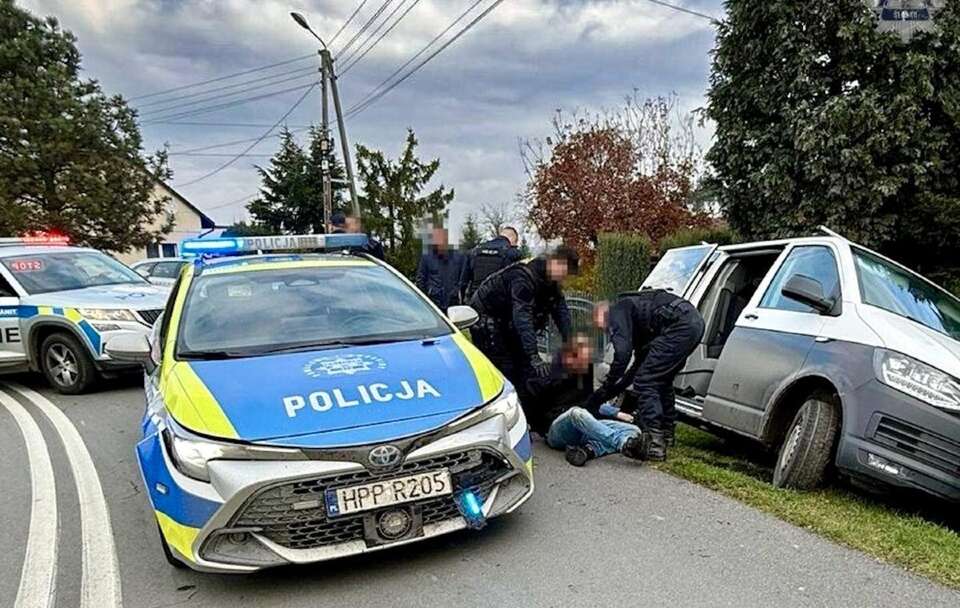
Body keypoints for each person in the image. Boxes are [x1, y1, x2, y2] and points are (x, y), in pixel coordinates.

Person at [586, 290, 705, 461]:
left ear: (601, 312)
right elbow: (635, 369)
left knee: (646, 381)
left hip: (680, 326)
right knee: (661, 380)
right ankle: (666, 433)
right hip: (693, 323)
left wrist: (608, 384)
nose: (604, 330)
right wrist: (605, 394)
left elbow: (623, 355)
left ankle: (654, 444)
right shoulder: (638, 319)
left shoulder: (617, 311)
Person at [524, 335, 649, 467]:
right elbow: (532, 404)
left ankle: (588, 451)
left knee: (634, 430)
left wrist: (615, 413)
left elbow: (592, 402)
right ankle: (621, 444)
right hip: (557, 431)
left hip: (585, 427)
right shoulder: (547, 376)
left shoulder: (584, 377)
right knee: (576, 413)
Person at [468, 246, 578, 391]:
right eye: (564, 274)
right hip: (487, 318)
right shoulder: (523, 277)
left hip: (507, 320)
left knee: (524, 369)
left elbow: (561, 313)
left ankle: (525, 402)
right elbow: (523, 316)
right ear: (556, 264)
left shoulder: (552, 283)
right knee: (503, 368)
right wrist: (533, 355)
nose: (564, 280)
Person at [460, 226, 522, 300]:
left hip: (476, 301)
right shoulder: (512, 253)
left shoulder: (475, 251)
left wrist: (463, 300)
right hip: (500, 303)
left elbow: (463, 282)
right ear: (513, 239)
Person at [415, 227, 467, 310]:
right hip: (433, 303)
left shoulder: (460, 257)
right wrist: (424, 301)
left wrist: (457, 292)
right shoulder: (427, 257)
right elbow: (420, 279)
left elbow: (463, 280)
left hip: (453, 304)